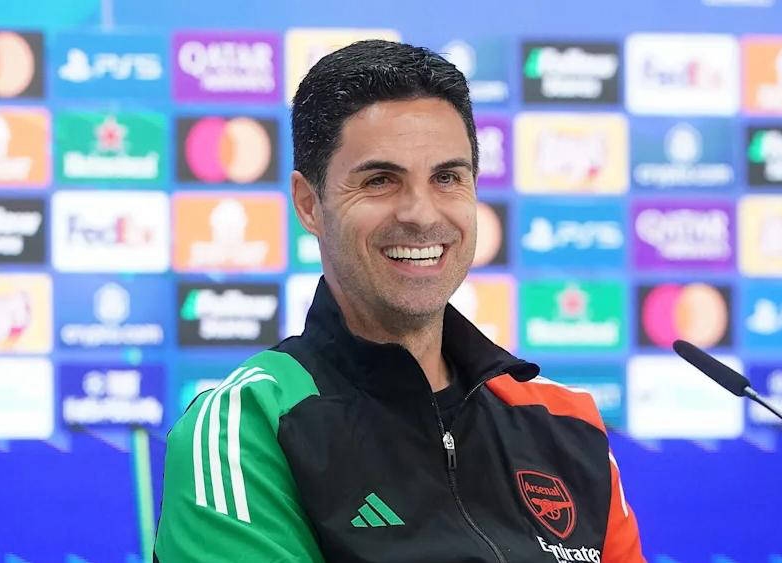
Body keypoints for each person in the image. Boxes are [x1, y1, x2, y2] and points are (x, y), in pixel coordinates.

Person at [154, 39, 643, 562]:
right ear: (309, 204)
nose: (421, 214)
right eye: (381, 180)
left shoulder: (566, 422)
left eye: (447, 178)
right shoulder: (248, 425)